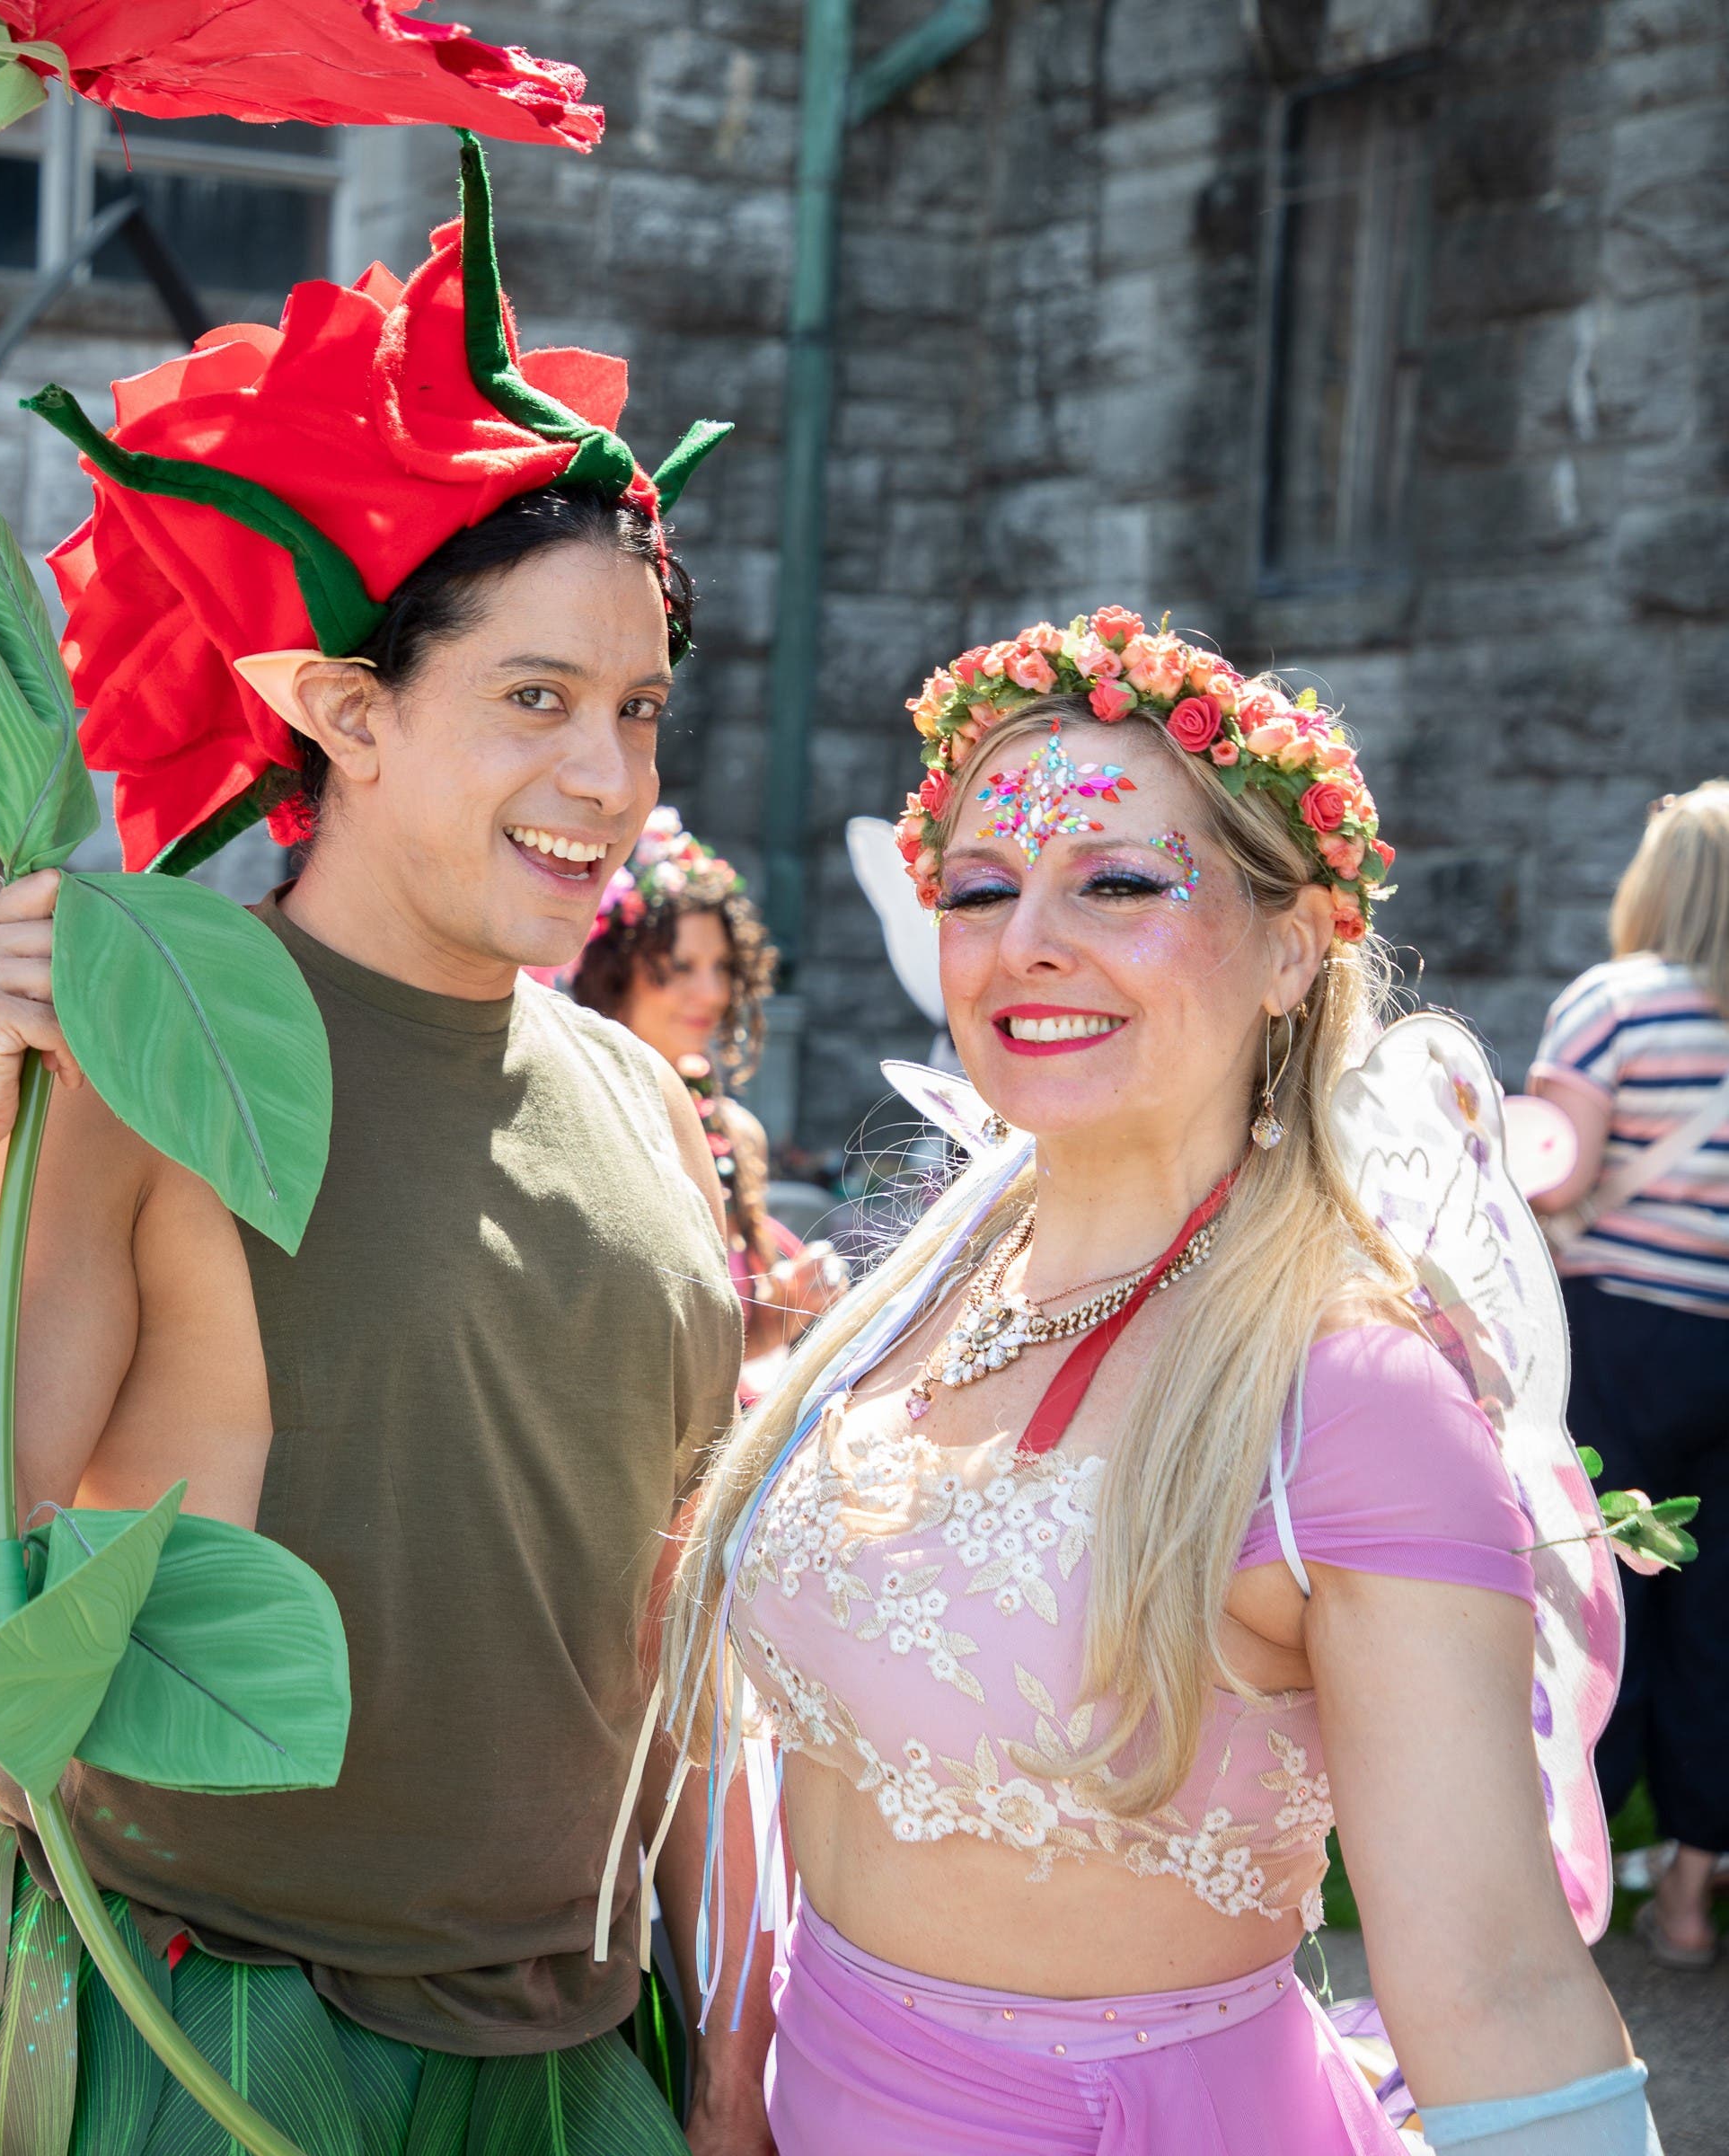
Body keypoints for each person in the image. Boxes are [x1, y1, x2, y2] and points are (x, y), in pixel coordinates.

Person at [0, 140, 772, 2154]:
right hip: (213, 2057)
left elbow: (661, 1629)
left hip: (581, 2059)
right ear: (346, 712)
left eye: (638, 707)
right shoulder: (154, 1064)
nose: (604, 780)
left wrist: (726, 2045)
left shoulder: (646, 1107)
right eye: (535, 698)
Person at [655, 613, 1655, 2152]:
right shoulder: (926, 1283)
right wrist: (731, 2088)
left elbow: (1502, 1988)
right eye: (981, 891)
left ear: (1291, 943)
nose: (1026, 941)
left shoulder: (1349, 1397)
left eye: (1119, 883)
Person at [1530, 778, 1729, 1972]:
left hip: (1619, 1331)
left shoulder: (1615, 1004)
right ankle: (1695, 1902)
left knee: (1598, 1601)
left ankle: (1573, 1893)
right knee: (1720, 1623)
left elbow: (1555, 1176)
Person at [568, 810, 841, 1390]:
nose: (712, 993)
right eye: (681, 967)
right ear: (615, 973)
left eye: (721, 967)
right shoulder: (571, 1120)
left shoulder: (737, 1133)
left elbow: (715, 1355)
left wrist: (780, 1319)